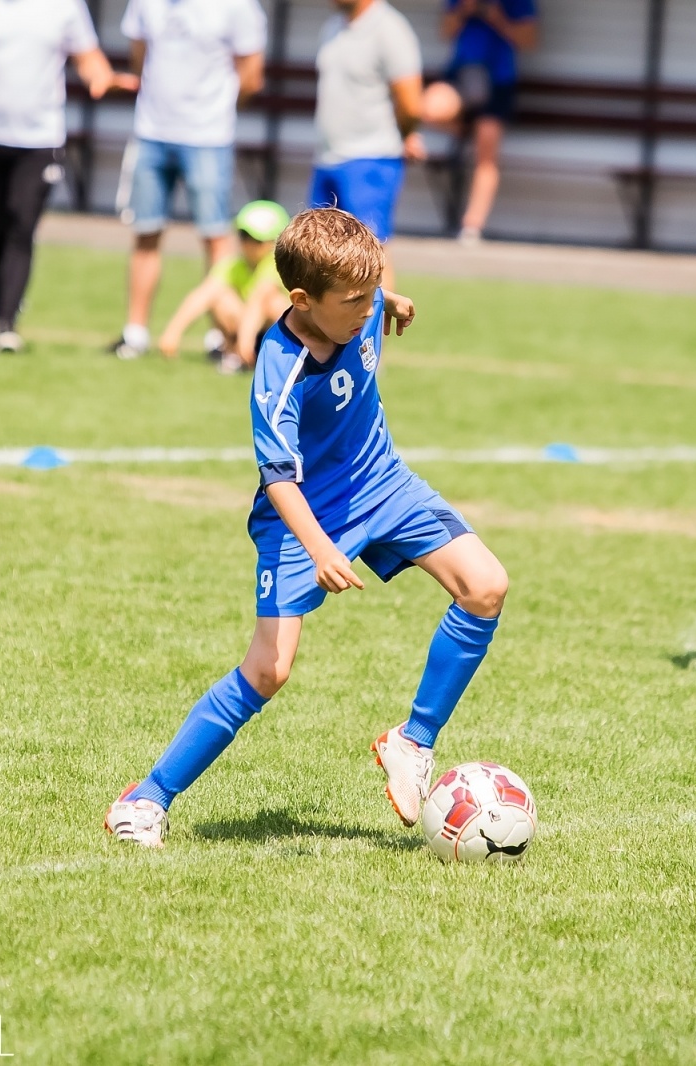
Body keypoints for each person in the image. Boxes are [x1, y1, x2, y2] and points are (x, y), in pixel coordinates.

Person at [105, 207, 509, 848]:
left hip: (383, 483)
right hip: (301, 520)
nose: (367, 309)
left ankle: (412, 742)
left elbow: (371, 298)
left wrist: (390, 300)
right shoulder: (280, 366)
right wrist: (319, 548)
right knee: (269, 670)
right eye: (355, 301)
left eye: (372, 294)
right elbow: (279, 479)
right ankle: (147, 799)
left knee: (485, 586)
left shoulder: (360, 305)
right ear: (302, 299)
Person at [0, 0, 130, 354]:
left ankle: (6, 324)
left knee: (22, 225)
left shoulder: (65, 7)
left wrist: (106, 80)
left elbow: (89, 60)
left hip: (40, 140)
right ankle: (0, 309)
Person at [109, 0, 267, 360]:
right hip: (151, 132)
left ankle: (219, 335)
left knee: (215, 238)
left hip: (208, 137)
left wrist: (215, 109)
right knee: (145, 232)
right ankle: (135, 334)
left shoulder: (238, 7)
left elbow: (251, 75)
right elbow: (139, 58)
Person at [309, 0, 425, 291]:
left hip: (370, 159)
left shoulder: (390, 29)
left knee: (371, 255)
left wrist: (406, 134)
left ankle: (375, 335)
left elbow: (410, 104)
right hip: (327, 157)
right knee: (316, 255)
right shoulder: (332, 28)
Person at [420, 0, 539, 244]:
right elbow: (446, 31)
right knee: (428, 108)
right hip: (462, 75)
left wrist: (497, 18)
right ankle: (466, 130)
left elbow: (528, 39)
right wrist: (466, 10)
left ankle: (472, 226)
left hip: (498, 79)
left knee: (486, 150)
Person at [155, 199, 291, 374]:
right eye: (243, 236)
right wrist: (173, 332)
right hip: (243, 330)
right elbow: (203, 294)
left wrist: (246, 339)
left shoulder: (277, 265)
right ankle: (233, 353)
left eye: (256, 240)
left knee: (273, 302)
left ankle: (289, 357)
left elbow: (260, 298)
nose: (248, 244)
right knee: (219, 295)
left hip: (269, 333)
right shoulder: (233, 265)